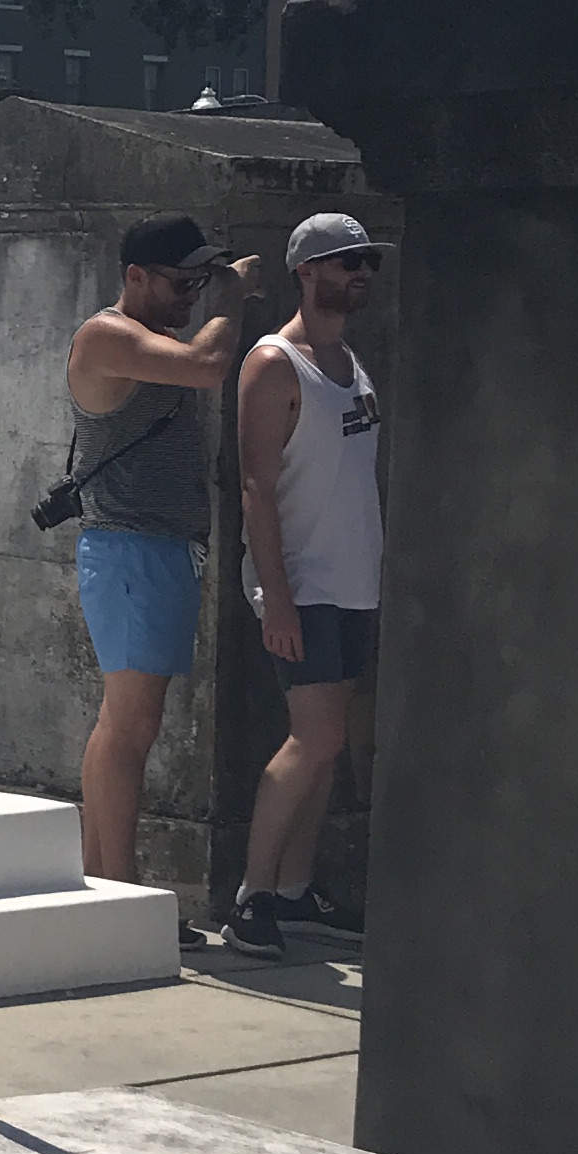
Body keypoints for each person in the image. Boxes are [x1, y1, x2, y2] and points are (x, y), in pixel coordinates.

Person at [63, 214, 261, 883]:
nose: (192, 296)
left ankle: (101, 879)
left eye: (200, 282)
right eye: (182, 283)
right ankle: (118, 888)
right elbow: (209, 366)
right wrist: (231, 297)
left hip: (156, 550)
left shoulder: (152, 341)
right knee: (132, 726)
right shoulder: (107, 335)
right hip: (130, 549)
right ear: (136, 277)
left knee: (122, 724)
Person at [224, 210, 384, 961]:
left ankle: (294, 891)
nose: (361, 273)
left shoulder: (351, 363)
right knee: (312, 736)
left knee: (330, 743)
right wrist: (277, 596)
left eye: (367, 261)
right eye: (348, 261)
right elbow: (256, 485)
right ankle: (251, 898)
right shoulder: (273, 363)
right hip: (304, 582)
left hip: (355, 579)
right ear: (307, 270)